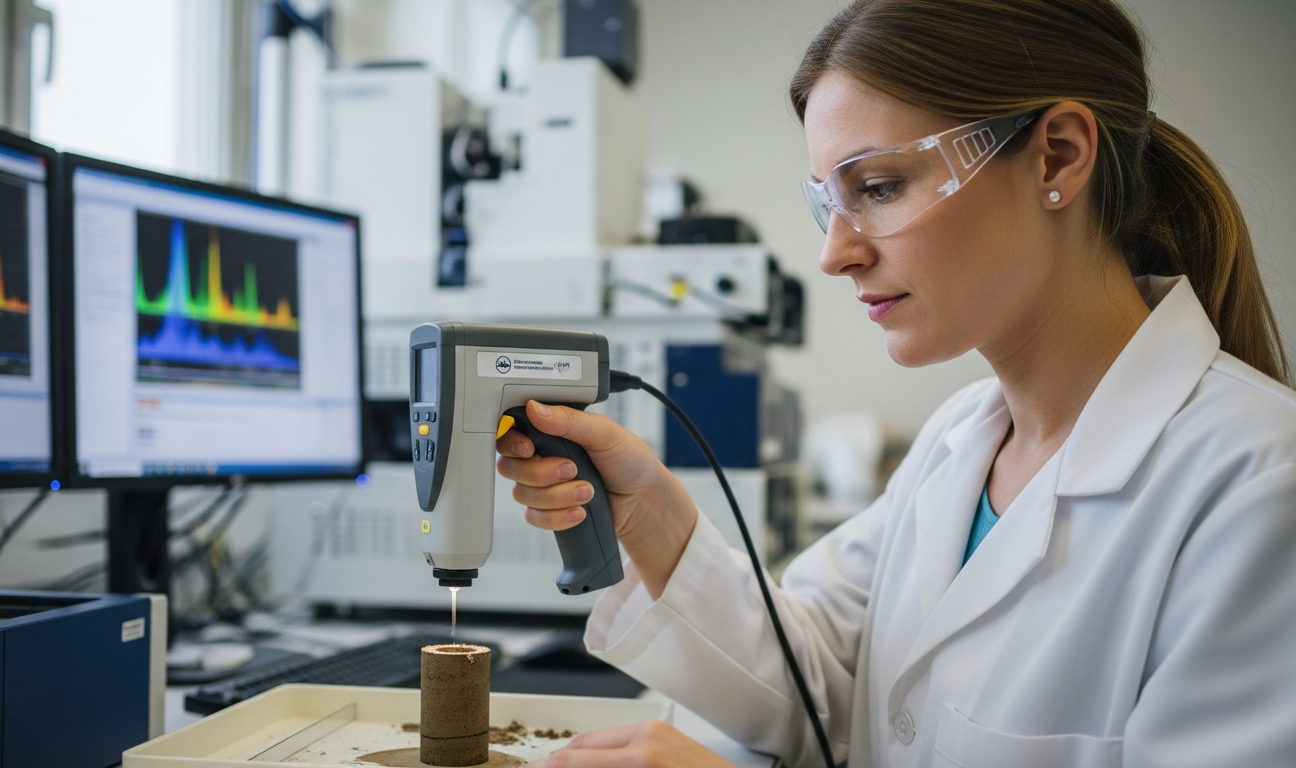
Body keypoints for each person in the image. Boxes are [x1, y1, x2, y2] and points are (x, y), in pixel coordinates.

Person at [499, 0, 1296, 766]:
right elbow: (825, 688)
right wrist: (659, 523)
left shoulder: (1257, 484)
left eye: (877, 188)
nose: (834, 254)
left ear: (1057, 155)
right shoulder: (957, 444)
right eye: (829, 204)